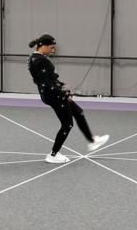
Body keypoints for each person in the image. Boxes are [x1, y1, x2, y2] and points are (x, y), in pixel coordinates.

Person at [28, 34, 109, 163]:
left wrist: (60, 85)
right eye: (51, 47)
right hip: (54, 96)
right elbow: (46, 83)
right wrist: (63, 92)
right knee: (67, 125)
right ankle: (53, 154)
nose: (53, 50)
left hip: (52, 94)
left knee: (78, 112)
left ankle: (93, 140)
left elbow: (48, 79)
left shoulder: (33, 58)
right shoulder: (40, 60)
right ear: (42, 46)